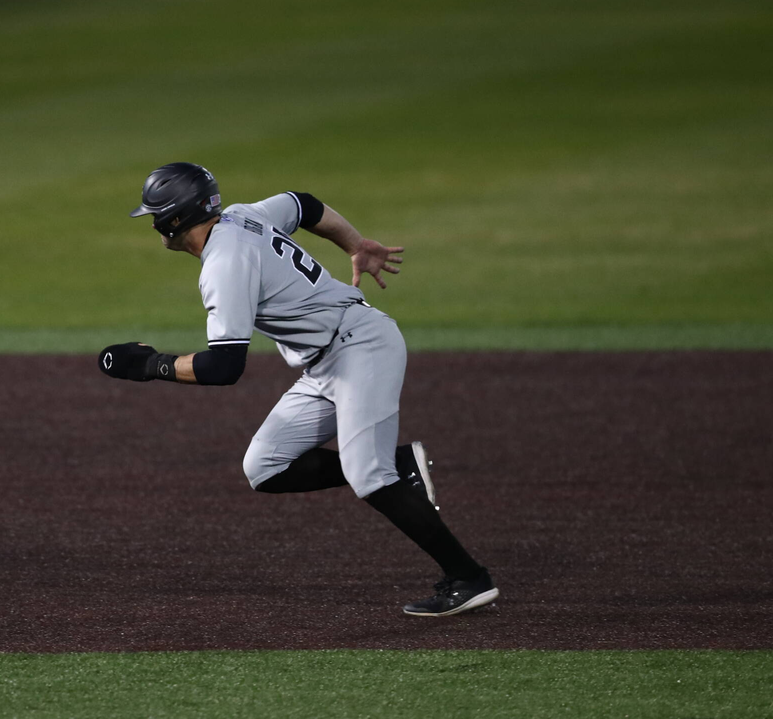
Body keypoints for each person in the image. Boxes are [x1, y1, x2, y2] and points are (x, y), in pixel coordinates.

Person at [97, 162, 499, 617]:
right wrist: (356, 244)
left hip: (361, 348)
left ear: (173, 220)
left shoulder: (224, 264)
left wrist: (149, 365)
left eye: (155, 216)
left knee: (370, 476)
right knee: (264, 467)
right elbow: (303, 205)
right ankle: (402, 463)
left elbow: (224, 367)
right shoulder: (242, 215)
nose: (153, 225)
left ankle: (468, 577)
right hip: (327, 361)